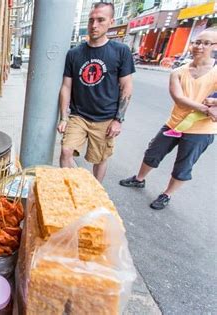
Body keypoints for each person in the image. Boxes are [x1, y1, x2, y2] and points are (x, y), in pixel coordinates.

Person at [119, 29, 217, 210]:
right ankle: (139, 179)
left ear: (214, 46)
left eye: (205, 43)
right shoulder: (178, 71)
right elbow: (179, 98)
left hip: (201, 130)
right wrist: (207, 108)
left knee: (183, 165)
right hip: (175, 123)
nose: (199, 46)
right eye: (197, 42)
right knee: (153, 152)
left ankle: (167, 194)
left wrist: (213, 102)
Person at [57, 2, 135, 182]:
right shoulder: (74, 53)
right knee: (66, 150)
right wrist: (63, 117)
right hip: (79, 116)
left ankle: (96, 192)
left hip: (106, 118)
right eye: (91, 20)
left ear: (111, 22)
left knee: (100, 158)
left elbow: (127, 87)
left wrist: (118, 120)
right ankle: (72, 187)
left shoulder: (121, 51)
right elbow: (66, 86)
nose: (94, 25)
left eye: (101, 20)